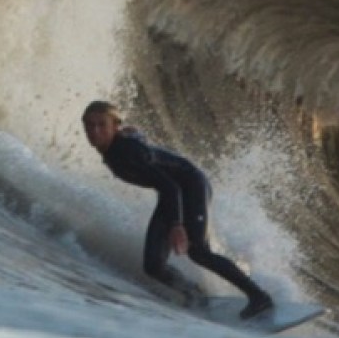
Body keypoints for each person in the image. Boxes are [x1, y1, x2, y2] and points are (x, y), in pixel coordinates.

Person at [81, 99, 274, 320]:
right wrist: (136, 135)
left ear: (114, 126)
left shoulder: (125, 151)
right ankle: (194, 295)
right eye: (89, 125)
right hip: (171, 193)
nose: (94, 131)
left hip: (190, 186)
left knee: (199, 252)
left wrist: (176, 225)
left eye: (101, 125)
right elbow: (148, 155)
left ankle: (259, 297)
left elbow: (170, 186)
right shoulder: (118, 145)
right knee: (153, 265)